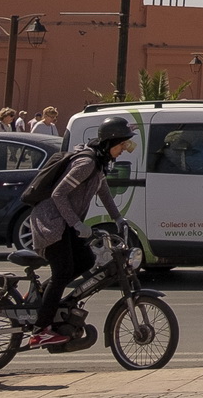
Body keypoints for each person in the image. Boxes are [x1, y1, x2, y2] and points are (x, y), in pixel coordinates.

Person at [29, 115, 134, 348]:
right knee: (63, 271)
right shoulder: (86, 163)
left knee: (86, 260)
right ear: (110, 142)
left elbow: (104, 192)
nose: (124, 150)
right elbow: (58, 194)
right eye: (122, 145)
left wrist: (118, 218)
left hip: (65, 223)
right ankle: (40, 330)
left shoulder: (98, 163)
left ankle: (44, 301)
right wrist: (77, 224)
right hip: (52, 222)